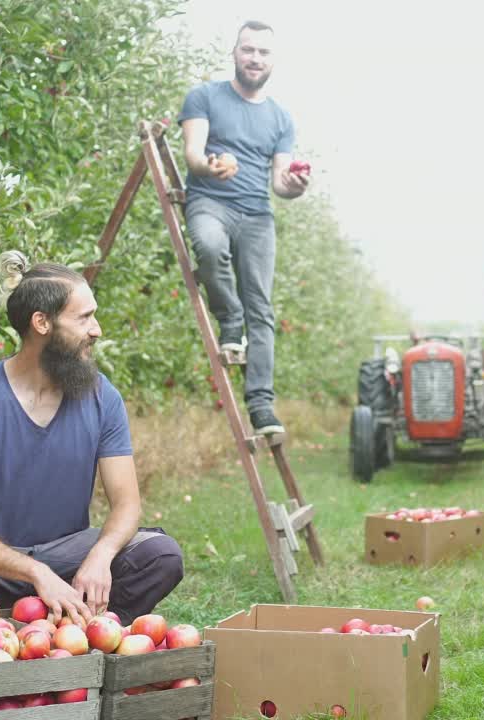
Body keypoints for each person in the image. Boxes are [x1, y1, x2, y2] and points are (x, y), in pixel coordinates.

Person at [0, 251, 184, 626]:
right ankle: (17, 638)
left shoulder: (103, 398)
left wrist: (100, 556)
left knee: (160, 556)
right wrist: (37, 574)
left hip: (69, 558)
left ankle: (85, 636)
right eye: (84, 317)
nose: (97, 329)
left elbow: (126, 505)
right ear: (42, 323)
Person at [177, 19, 310, 436]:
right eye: (248, 50)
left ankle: (262, 404)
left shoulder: (281, 118)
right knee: (209, 246)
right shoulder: (204, 97)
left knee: (263, 308)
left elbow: (279, 183)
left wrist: (295, 187)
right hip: (210, 201)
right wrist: (211, 166)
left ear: (273, 61)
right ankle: (228, 320)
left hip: (257, 215)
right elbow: (193, 155)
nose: (255, 58)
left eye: (263, 52)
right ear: (234, 53)